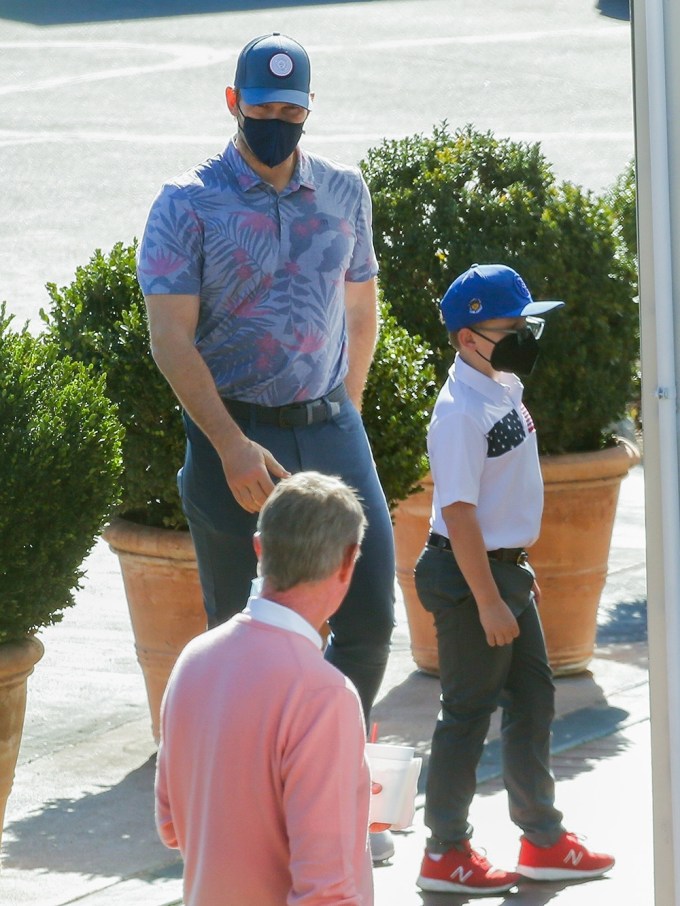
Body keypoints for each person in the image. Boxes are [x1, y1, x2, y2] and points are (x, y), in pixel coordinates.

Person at [136, 34, 395, 736]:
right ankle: (257, 789)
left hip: (330, 425)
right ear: (233, 104)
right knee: (237, 635)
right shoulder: (185, 204)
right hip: (236, 435)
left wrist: (352, 404)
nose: (275, 121)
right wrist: (229, 443)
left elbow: (362, 306)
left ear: (311, 109)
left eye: (290, 108)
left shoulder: (344, 192)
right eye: (261, 107)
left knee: (369, 613)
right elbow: (170, 337)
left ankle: (325, 764)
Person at [414, 264, 615, 896]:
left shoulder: (503, 384)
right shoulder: (457, 413)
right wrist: (487, 598)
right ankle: (445, 852)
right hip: (470, 576)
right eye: (514, 326)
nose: (527, 335)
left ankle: (542, 840)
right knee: (467, 713)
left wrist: (515, 572)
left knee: (533, 700)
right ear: (467, 335)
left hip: (503, 573)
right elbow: (460, 512)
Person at [155, 471, 385, 905]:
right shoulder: (323, 695)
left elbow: (173, 827)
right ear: (348, 560)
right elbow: (327, 894)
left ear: (259, 547)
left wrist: (343, 806)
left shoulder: (193, 660)